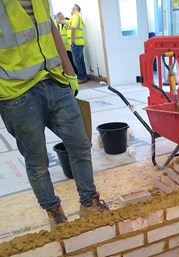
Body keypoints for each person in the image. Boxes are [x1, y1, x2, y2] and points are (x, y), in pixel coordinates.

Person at [0, 0, 109, 230]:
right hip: (17, 92)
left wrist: (70, 72)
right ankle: (55, 213)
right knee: (38, 162)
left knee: (80, 145)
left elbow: (49, 26)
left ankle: (89, 203)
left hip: (54, 80)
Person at [68, 4, 88, 84]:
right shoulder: (78, 17)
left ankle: (80, 77)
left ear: (75, 9)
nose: (71, 9)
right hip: (80, 42)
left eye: (72, 8)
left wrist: (72, 40)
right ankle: (84, 76)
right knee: (80, 60)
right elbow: (67, 22)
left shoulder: (75, 16)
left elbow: (73, 27)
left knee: (76, 61)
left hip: (75, 42)